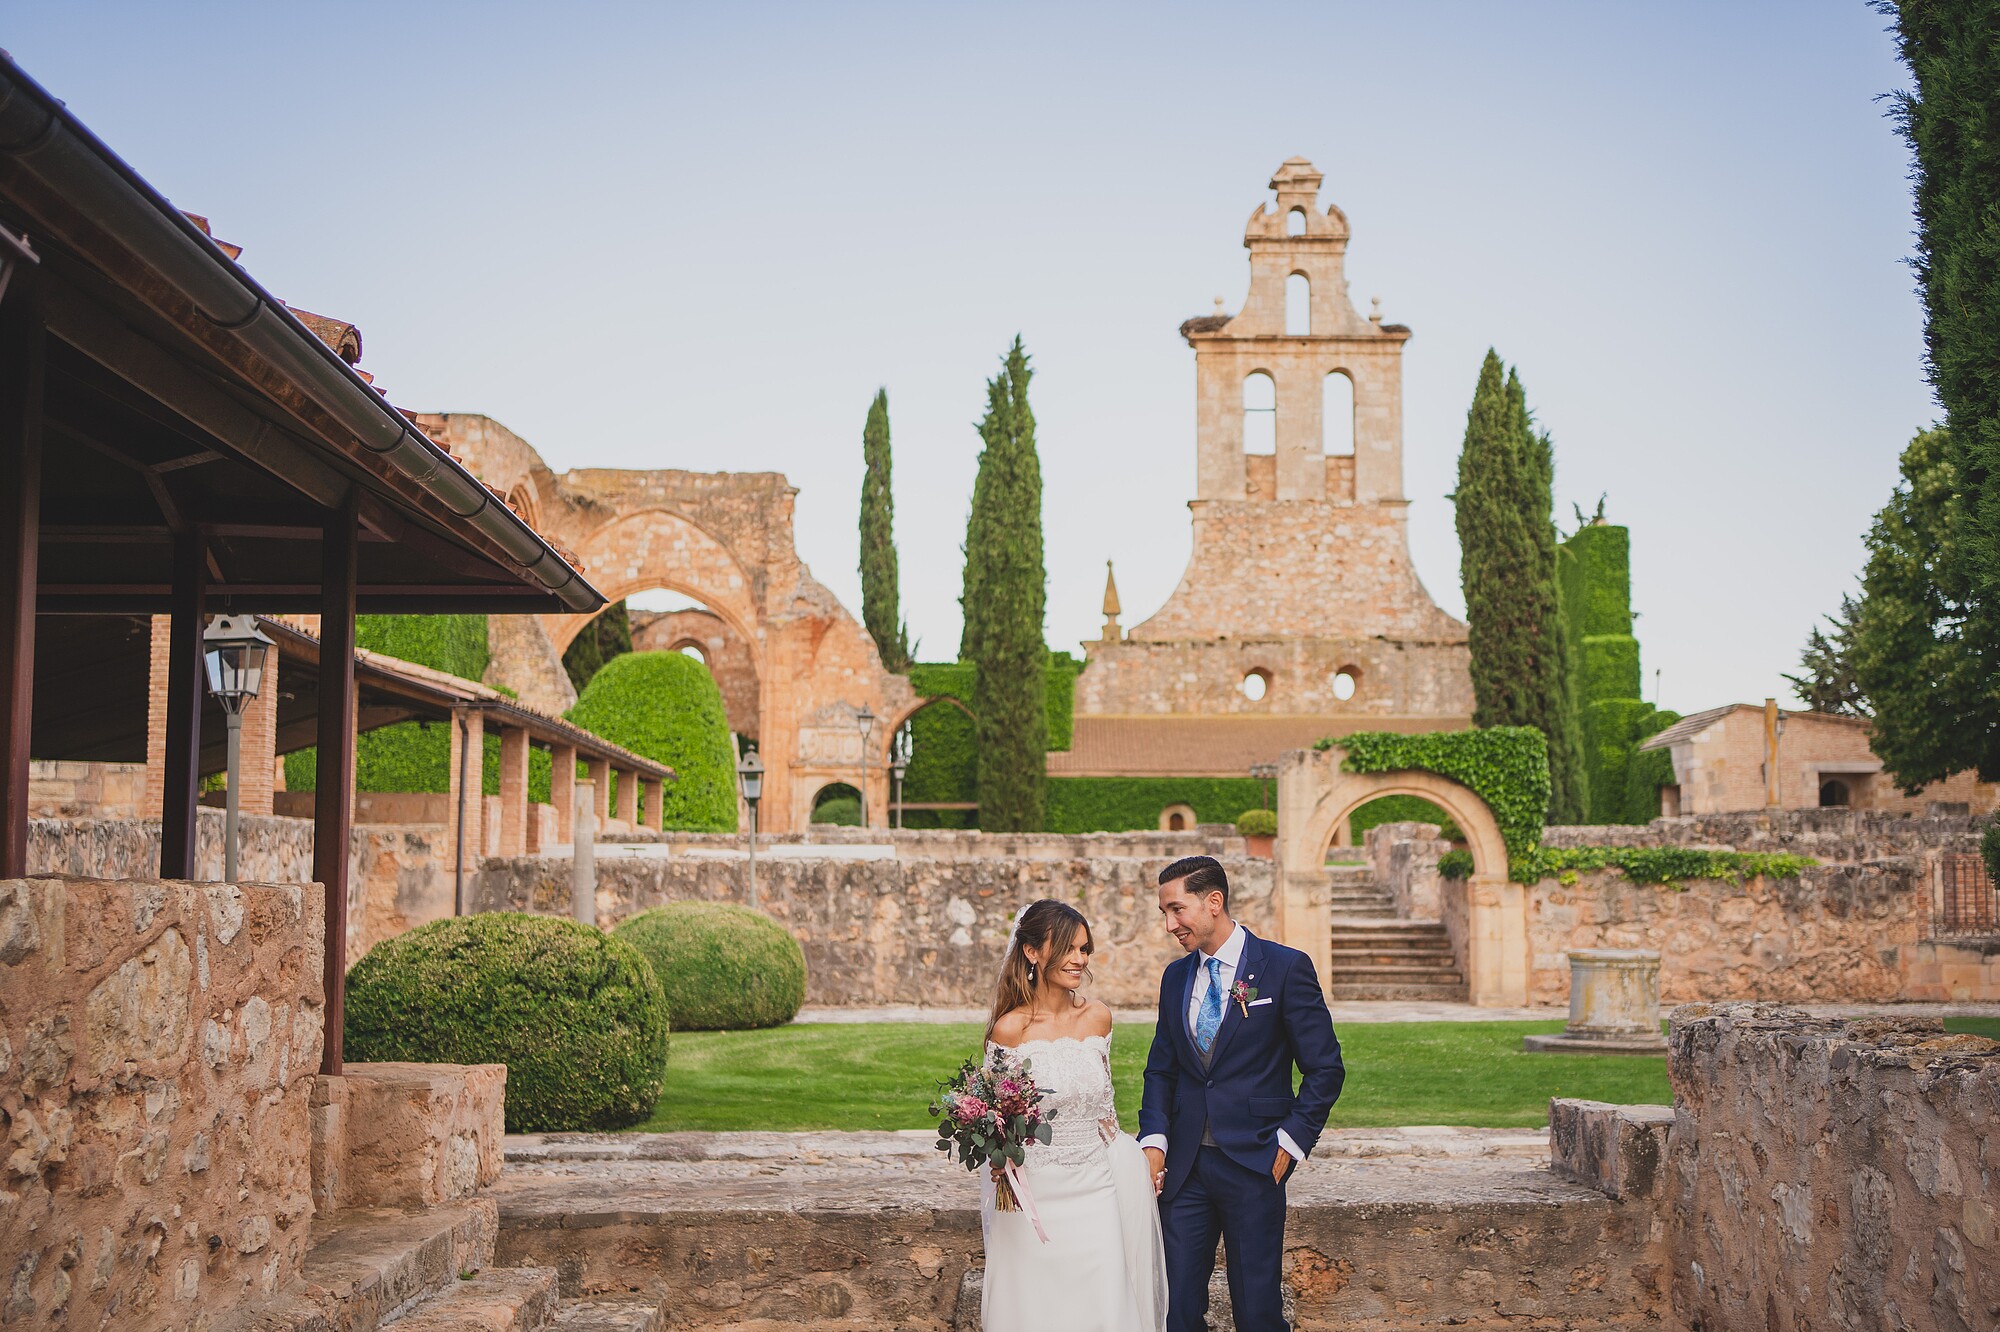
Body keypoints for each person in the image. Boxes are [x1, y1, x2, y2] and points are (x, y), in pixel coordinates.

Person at [1138, 856, 1344, 1332]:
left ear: (1214, 902)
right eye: (1164, 913)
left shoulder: (1285, 968)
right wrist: (1154, 1141)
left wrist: (1290, 1143)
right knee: (1178, 1308)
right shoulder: (1175, 977)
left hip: (1256, 1162)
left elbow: (1325, 1069)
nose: (1170, 925)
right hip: (1185, 1170)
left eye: (1177, 909)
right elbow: (1161, 1070)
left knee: (1257, 1310)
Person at [980, 898, 1168, 1332]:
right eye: (1068, 947)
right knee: (1037, 1308)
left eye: (1084, 949)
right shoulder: (1011, 1029)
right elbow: (998, 1120)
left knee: (1103, 1303)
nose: (1079, 959)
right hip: (1035, 1193)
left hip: (1097, 1186)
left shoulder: (1098, 1018)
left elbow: (1104, 1106)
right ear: (1032, 952)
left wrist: (1132, 1158)